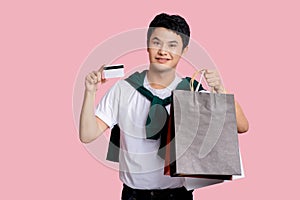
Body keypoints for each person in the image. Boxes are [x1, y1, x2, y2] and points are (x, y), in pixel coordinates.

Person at [79, 13, 249, 200]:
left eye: (172, 45)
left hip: (178, 195)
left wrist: (220, 90)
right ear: (147, 45)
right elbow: (87, 135)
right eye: (157, 43)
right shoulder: (124, 89)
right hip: (133, 195)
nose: (163, 51)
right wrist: (90, 92)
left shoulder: (192, 92)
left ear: (184, 50)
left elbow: (242, 126)